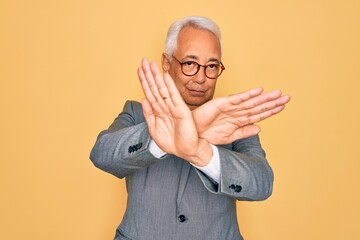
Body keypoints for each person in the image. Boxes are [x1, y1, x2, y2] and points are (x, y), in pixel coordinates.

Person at [90, 16, 290, 240]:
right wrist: (164, 136)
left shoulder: (235, 121)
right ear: (167, 63)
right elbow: (101, 154)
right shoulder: (137, 113)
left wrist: (201, 152)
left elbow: (262, 183)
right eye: (190, 64)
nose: (201, 78)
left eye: (212, 66)